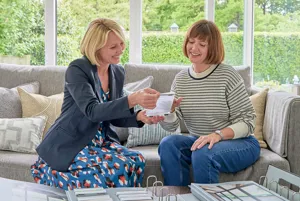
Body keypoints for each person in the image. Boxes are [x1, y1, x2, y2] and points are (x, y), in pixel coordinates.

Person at [31, 18, 164, 190]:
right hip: (72, 142)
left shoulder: (117, 71)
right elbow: (92, 111)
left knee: (136, 159)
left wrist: (139, 116)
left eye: (122, 44)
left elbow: (113, 116)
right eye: (113, 47)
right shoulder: (77, 69)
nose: (121, 50)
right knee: (113, 168)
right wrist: (133, 99)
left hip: (101, 143)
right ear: (96, 47)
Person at [158, 19, 260, 186]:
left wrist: (217, 135)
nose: (194, 48)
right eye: (191, 42)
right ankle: (178, 197)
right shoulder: (181, 79)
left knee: (203, 152)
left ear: (212, 48)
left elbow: (248, 122)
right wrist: (169, 112)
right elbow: (171, 127)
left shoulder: (227, 75)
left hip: (240, 143)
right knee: (168, 144)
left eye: (202, 44)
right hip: (201, 140)